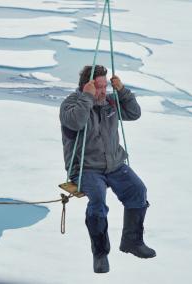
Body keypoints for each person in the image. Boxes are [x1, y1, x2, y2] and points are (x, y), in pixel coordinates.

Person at [59, 65, 156, 273]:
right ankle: (100, 253)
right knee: (97, 202)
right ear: (87, 86)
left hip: (114, 164)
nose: (103, 91)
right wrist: (87, 97)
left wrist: (122, 91)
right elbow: (76, 123)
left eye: (105, 87)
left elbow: (134, 113)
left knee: (138, 190)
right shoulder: (70, 105)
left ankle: (132, 242)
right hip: (86, 167)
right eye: (99, 87)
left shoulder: (110, 102)